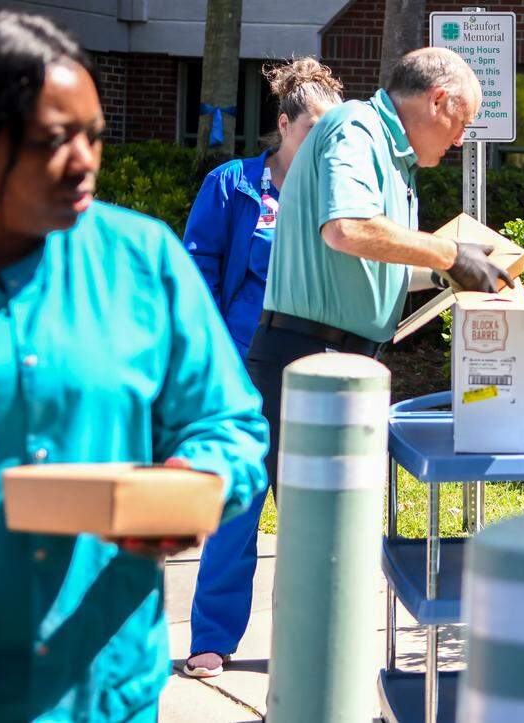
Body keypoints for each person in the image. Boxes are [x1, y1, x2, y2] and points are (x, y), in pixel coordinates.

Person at [0, 9, 268, 721]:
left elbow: (229, 422)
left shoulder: (142, 260)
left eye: (94, 136)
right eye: (55, 139)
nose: (85, 159)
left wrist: (195, 482)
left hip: (101, 686)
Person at [252, 46, 507, 496]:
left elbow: (370, 270)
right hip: (312, 354)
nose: (461, 139)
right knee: (329, 533)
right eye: (462, 121)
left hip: (335, 355)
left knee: (341, 533)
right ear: (436, 100)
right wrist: (449, 254)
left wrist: (449, 273)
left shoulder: (390, 154)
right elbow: (347, 229)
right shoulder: (356, 127)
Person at [181, 58, 343, 679]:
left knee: (308, 519)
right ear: (283, 124)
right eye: (312, 133)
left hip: (311, 380)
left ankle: (308, 645)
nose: (322, 149)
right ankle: (214, 638)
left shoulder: (337, 197)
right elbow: (198, 278)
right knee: (234, 510)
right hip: (240, 380)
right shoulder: (234, 185)